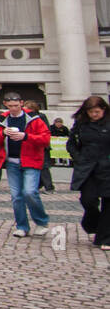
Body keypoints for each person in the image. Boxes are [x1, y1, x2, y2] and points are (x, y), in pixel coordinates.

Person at [0, 90, 51, 238]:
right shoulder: (2, 119)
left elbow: (45, 139)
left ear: (21, 104)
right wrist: (3, 133)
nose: (13, 109)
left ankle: (41, 222)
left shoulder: (34, 119)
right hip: (12, 162)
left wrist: (26, 136)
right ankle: (22, 226)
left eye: (16, 105)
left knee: (30, 192)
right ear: (5, 105)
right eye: (10, 106)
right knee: (16, 196)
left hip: (31, 160)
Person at [68, 95, 110, 249]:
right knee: (88, 200)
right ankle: (93, 224)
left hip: (107, 168)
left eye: (97, 112)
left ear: (103, 110)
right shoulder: (81, 123)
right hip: (87, 168)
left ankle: (105, 238)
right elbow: (71, 144)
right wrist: (78, 158)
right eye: (91, 112)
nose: (94, 115)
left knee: (108, 203)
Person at [24, 100, 55, 193]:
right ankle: (38, 184)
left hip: (41, 145)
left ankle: (49, 187)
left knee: (44, 167)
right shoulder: (28, 117)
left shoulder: (40, 117)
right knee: (36, 166)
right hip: (32, 145)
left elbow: (46, 131)